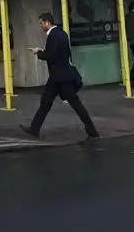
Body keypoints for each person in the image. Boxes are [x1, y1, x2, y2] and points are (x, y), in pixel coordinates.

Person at [22, 12, 99, 142]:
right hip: (62, 75)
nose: (40, 26)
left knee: (73, 104)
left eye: (41, 23)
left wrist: (38, 52)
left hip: (59, 77)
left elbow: (51, 56)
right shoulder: (62, 33)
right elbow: (62, 54)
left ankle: (93, 132)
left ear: (47, 22)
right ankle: (34, 129)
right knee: (47, 102)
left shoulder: (52, 36)